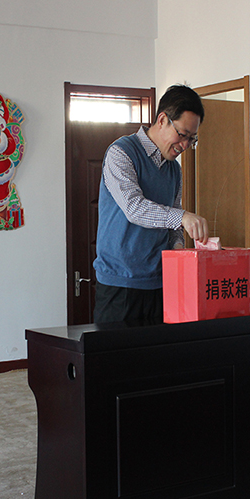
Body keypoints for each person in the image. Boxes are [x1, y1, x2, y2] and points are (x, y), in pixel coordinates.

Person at [92, 84, 209, 324]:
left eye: (192, 139)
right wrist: (182, 217)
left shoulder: (174, 170)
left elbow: (172, 225)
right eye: (182, 134)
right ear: (162, 119)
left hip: (160, 283)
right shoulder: (121, 153)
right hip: (120, 285)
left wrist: (178, 248)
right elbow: (134, 208)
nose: (185, 145)